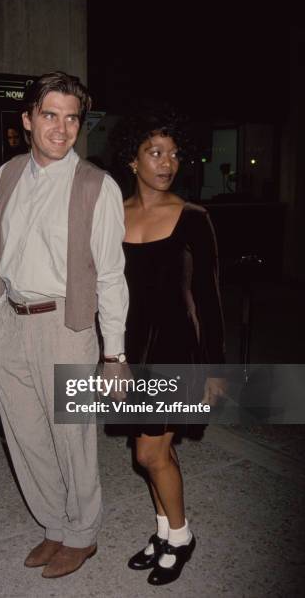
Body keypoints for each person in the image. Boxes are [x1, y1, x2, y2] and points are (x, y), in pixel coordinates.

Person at [0, 72, 129, 578]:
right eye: (50, 115)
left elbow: (111, 277)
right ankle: (54, 525)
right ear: (27, 120)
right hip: (9, 322)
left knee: (73, 438)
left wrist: (115, 355)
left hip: (65, 325)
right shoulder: (8, 175)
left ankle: (83, 534)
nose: (61, 129)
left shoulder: (96, 186)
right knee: (25, 435)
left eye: (71, 118)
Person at [111, 108, 225, 586]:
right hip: (133, 351)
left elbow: (210, 298)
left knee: (149, 454)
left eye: (174, 154)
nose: (167, 163)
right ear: (133, 160)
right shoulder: (113, 214)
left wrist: (216, 371)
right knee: (154, 449)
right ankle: (163, 532)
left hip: (178, 349)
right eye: (154, 152)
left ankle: (180, 538)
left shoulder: (194, 217)